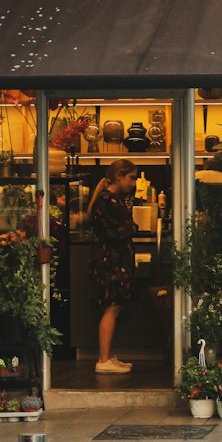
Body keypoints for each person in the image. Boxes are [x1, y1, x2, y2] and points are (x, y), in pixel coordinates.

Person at [87, 158, 138, 373]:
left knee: (114, 306)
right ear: (119, 176)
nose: (133, 183)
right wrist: (132, 227)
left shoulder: (111, 199)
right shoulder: (108, 201)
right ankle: (103, 359)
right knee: (111, 307)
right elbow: (112, 232)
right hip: (111, 261)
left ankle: (106, 356)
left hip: (113, 260)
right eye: (131, 178)